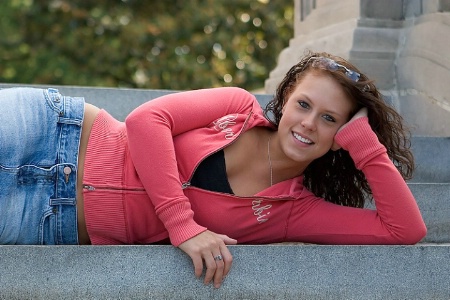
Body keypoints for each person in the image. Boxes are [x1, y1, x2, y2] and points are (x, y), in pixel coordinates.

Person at [0, 51, 426, 289]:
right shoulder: (237, 106)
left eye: (330, 119)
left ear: (341, 136)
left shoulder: (292, 211)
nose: (309, 124)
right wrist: (183, 225)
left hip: (45, 218)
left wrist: (366, 147)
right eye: (304, 104)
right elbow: (146, 121)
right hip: (50, 128)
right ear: (286, 97)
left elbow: (403, 231)